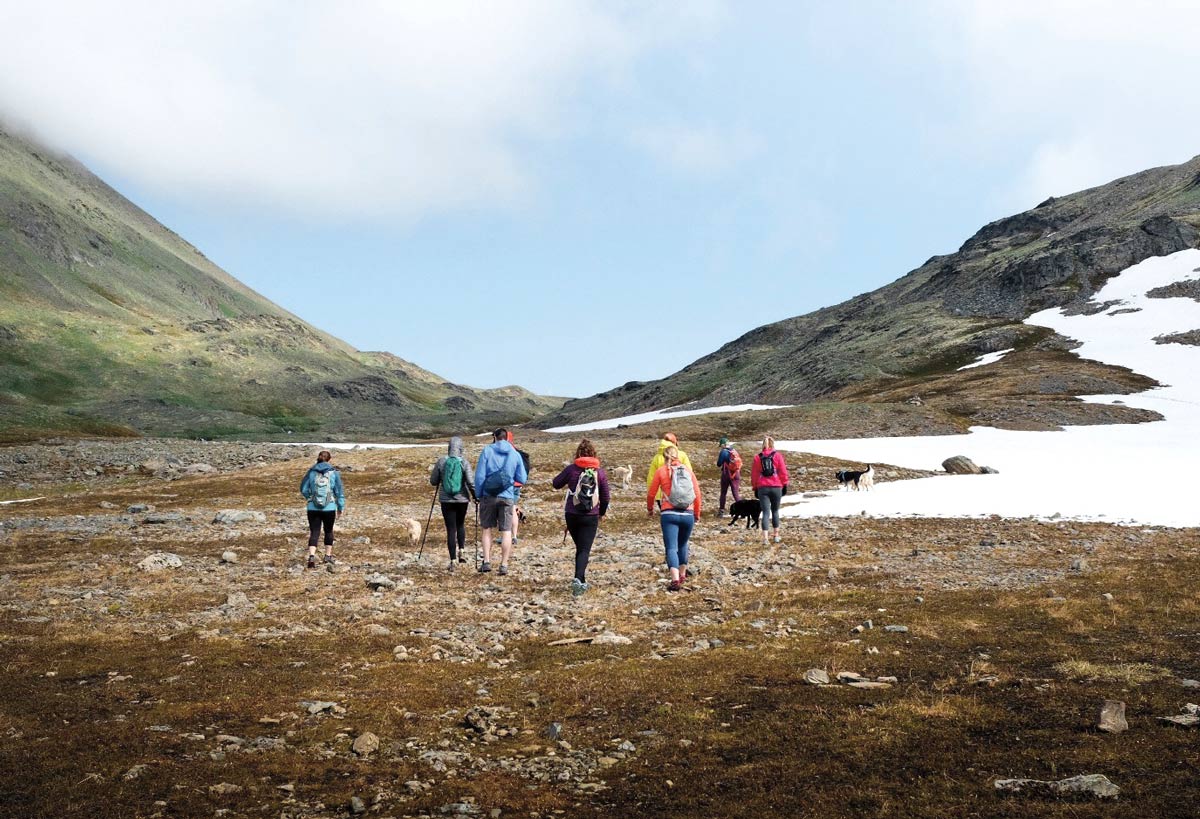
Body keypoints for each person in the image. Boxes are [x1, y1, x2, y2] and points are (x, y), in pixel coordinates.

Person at [551, 438, 611, 597]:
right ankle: (578, 579)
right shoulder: (600, 472)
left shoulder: (572, 469)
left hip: (572, 514)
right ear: (594, 454)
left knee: (580, 547)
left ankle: (581, 580)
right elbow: (605, 497)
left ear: (578, 453)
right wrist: (602, 512)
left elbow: (555, 483)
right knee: (584, 549)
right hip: (591, 515)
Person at [474, 427, 528, 576]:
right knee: (506, 531)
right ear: (507, 437)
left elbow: (479, 476)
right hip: (507, 496)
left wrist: (479, 494)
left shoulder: (487, 451)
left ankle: (486, 561)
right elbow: (522, 478)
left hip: (488, 496)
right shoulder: (514, 454)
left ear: (495, 437)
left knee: (486, 529)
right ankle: (503, 565)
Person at [647, 444, 701, 592]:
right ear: (678, 456)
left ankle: (675, 579)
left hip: (668, 514)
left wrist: (650, 509)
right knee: (683, 544)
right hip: (687, 513)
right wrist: (696, 513)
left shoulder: (661, 471)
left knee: (671, 547)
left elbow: (651, 493)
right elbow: (697, 493)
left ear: (664, 457)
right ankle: (683, 574)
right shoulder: (688, 471)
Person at [429, 436, 476, 572]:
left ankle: (453, 560)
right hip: (462, 500)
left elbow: (433, 481)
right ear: (461, 449)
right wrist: (475, 497)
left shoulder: (441, 462)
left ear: (449, 448)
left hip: (446, 500)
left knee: (451, 529)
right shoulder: (464, 462)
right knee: (460, 524)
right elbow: (470, 482)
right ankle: (462, 550)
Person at [300, 450, 345, 568]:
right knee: (328, 531)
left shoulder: (311, 472)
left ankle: (311, 556)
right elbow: (339, 492)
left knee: (314, 532)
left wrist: (310, 498)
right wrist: (340, 507)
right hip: (329, 507)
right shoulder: (333, 472)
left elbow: (304, 489)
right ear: (329, 459)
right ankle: (327, 556)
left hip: (312, 507)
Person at [750, 435, 789, 545]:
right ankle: (776, 535)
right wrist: (785, 484)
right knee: (775, 511)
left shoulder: (757, 458)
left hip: (763, 488)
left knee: (766, 512)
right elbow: (783, 472)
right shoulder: (778, 456)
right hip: (777, 487)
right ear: (773, 444)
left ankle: (765, 538)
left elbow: (754, 475)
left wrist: (755, 487)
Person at [646, 432, 693, 507]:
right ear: (674, 442)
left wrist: (653, 494)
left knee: (665, 513)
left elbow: (651, 477)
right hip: (682, 492)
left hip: (662, 495)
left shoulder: (657, 457)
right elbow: (689, 473)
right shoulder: (682, 455)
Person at [716, 436, 742, 517]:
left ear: (723, 445)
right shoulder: (734, 451)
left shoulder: (723, 452)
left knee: (723, 493)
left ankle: (721, 511)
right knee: (735, 493)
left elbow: (719, 464)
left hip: (726, 474)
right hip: (736, 474)